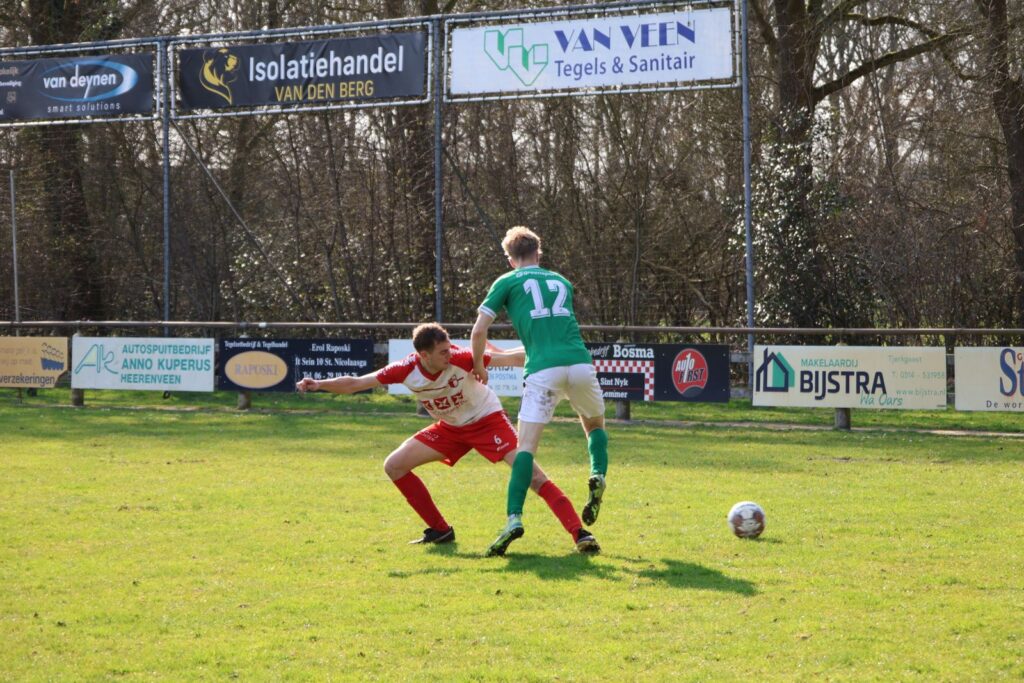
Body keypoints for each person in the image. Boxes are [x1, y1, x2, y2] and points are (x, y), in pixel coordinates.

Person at [296, 322, 599, 555]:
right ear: (423, 355)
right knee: (394, 465)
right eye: (442, 351)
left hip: (488, 421)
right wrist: (319, 384)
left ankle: (580, 533)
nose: (450, 353)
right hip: (451, 429)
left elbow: (512, 358)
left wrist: (552, 355)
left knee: (532, 475)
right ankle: (440, 531)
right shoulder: (405, 370)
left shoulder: (462, 358)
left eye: (449, 348)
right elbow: (356, 383)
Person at [471, 226, 609, 557]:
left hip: (543, 372)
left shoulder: (506, 282)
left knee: (526, 450)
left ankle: (513, 519)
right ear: (539, 252)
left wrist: (479, 365)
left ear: (510, 258)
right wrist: (500, 357)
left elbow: (478, 331)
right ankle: (597, 474)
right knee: (594, 426)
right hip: (580, 364)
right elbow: (548, 338)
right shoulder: (561, 282)